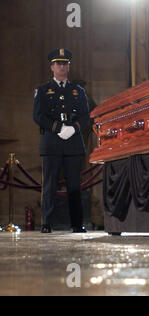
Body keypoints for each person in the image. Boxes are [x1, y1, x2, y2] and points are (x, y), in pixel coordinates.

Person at [33, 48, 90, 234]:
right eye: (58, 63)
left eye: (65, 63)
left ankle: (77, 223)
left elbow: (85, 116)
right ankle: (46, 222)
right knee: (49, 184)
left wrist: (73, 128)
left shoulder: (78, 91)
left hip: (73, 143)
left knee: (74, 185)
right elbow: (38, 116)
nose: (62, 67)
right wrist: (58, 128)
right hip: (52, 142)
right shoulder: (42, 90)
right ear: (52, 67)